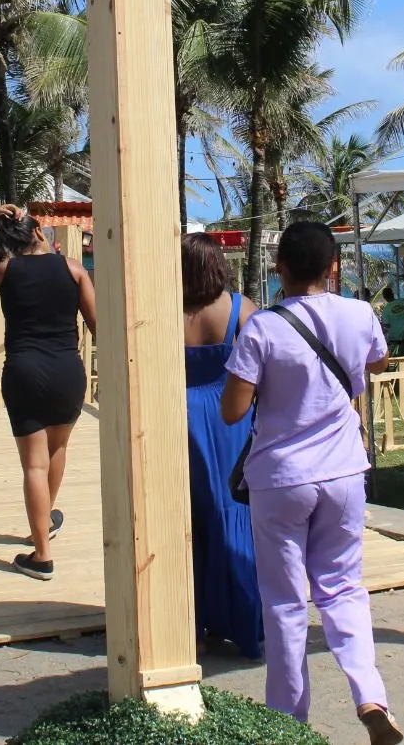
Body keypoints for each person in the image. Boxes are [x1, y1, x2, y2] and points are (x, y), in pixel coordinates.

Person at [221, 221, 402, 745]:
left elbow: (233, 410)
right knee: (343, 587)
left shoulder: (263, 327)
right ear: (333, 267)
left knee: (284, 601)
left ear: (279, 268)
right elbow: (378, 361)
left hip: (281, 479)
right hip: (344, 472)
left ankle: (287, 718)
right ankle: (369, 694)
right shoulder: (359, 313)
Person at [0, 205, 95, 582]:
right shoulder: (74, 269)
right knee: (57, 450)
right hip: (67, 370)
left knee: (34, 464)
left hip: (25, 371)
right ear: (37, 232)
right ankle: (44, 521)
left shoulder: (4, 270)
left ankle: (42, 556)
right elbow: (98, 324)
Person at [181, 233, 264, 659]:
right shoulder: (239, 308)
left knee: (188, 522)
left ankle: (190, 626)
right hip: (228, 416)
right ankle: (241, 621)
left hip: (178, 416)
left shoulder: (166, 312)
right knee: (232, 513)